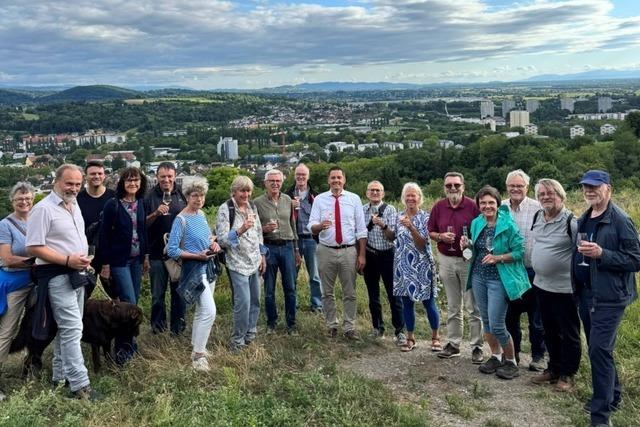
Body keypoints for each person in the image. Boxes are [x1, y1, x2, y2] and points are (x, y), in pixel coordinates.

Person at [572, 170, 640, 427]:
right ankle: (613, 397)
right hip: (587, 295)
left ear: (608, 189)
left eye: (594, 187)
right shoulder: (585, 217)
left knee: (599, 350)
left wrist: (603, 254)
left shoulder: (620, 220)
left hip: (610, 297)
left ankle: (600, 417)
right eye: (585, 187)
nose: (589, 191)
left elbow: (636, 260)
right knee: (600, 350)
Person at [26, 164, 97, 400]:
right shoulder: (43, 209)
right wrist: (67, 260)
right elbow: (33, 246)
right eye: (69, 183)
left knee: (67, 329)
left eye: (78, 184)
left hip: (77, 272)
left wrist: (83, 261)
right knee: (72, 328)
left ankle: (60, 376)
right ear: (56, 181)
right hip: (56, 274)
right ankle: (80, 385)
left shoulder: (74, 205)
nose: (74, 188)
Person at [462, 186, 530, 380]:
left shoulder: (508, 224)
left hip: (499, 280)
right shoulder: (476, 222)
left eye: (491, 202)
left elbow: (519, 252)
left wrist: (498, 258)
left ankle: (511, 361)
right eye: (483, 203)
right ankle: (496, 356)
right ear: (478, 205)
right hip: (478, 277)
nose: (487, 206)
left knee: (497, 324)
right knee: (486, 321)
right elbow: (474, 250)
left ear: (498, 204)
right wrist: (466, 246)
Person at [530, 179, 580, 392]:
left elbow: (582, 252)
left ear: (561, 196)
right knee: (549, 330)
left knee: (568, 333)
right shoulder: (538, 216)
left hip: (564, 288)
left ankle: (567, 374)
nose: (545, 197)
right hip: (541, 285)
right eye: (541, 194)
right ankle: (554, 368)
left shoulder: (571, 222)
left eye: (550, 193)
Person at [427, 172, 484, 363]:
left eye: (456, 185)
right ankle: (453, 343)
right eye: (449, 185)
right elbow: (431, 231)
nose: (453, 188)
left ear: (463, 187)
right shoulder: (438, 207)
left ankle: (477, 346)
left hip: (468, 260)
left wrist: (470, 242)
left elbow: (483, 231)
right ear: (444, 187)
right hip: (446, 259)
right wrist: (440, 237)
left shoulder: (473, 206)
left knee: (472, 305)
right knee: (453, 305)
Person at [167, 180, 221, 371]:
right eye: (195, 195)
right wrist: (196, 255)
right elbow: (172, 249)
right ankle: (198, 357)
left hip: (208, 266)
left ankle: (197, 348)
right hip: (194, 269)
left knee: (201, 310)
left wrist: (213, 243)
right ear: (187, 197)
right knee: (209, 311)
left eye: (202, 195)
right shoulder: (181, 220)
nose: (199, 199)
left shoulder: (202, 215)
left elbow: (206, 238)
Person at [308, 166, 367, 340]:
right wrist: (319, 226)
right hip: (326, 250)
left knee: (350, 292)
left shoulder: (354, 199)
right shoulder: (319, 200)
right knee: (327, 292)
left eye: (339, 177)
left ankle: (349, 327)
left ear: (344, 180)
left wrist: (361, 254)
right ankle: (331, 325)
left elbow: (361, 229)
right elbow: (311, 225)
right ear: (328, 180)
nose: (336, 181)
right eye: (333, 178)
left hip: (348, 250)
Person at [98, 167, 148, 365]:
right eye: (129, 180)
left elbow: (143, 231)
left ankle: (128, 346)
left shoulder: (141, 202)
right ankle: (123, 352)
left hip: (136, 260)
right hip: (119, 262)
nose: (133, 184)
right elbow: (104, 235)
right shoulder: (113, 204)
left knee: (132, 304)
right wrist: (105, 264)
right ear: (122, 183)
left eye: (136, 180)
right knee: (128, 305)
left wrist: (145, 256)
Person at [384, 183, 439, 352]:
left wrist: (411, 227)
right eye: (407, 195)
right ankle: (410, 338)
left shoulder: (426, 218)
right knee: (406, 304)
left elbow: (422, 244)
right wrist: (383, 226)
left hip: (422, 266)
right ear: (403, 198)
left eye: (413, 195)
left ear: (419, 198)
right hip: (402, 266)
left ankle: (436, 337)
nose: (410, 198)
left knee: (429, 302)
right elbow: (392, 237)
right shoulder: (398, 216)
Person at [217, 176, 266, 352]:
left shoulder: (252, 206)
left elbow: (259, 232)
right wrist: (241, 229)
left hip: (254, 261)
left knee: (255, 301)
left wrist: (262, 255)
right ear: (234, 191)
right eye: (242, 191)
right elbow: (222, 239)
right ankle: (237, 341)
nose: (246, 194)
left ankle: (250, 335)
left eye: (248, 191)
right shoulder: (226, 209)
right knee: (243, 303)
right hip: (237, 263)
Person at [502, 169, 545, 371]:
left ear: (527, 187)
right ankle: (514, 354)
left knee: (537, 318)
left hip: (533, 270)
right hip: (509, 271)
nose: (516, 189)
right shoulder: (500, 207)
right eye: (512, 185)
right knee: (510, 317)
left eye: (520, 186)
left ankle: (538, 356)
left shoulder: (538, 207)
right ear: (507, 187)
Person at [0, 182, 36, 400]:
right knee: (7, 330)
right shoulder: (5, 225)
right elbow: (7, 259)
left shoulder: (38, 219)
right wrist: (37, 261)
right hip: (15, 282)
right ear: (12, 201)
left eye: (28, 198)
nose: (24, 202)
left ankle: (33, 364)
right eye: (19, 199)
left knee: (37, 324)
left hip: (37, 280)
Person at [254, 169, 299, 334]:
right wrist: (264, 229)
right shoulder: (257, 203)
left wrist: (296, 250)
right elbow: (254, 229)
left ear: (282, 183)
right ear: (265, 183)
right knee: (269, 289)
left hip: (287, 246)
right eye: (271, 181)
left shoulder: (287, 200)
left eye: (278, 181)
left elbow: (293, 225)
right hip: (269, 247)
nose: (275, 184)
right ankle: (271, 323)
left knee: (290, 287)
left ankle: (291, 324)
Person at [144, 162, 187, 335]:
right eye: (163, 176)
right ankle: (158, 329)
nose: (166, 180)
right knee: (157, 295)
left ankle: (178, 329)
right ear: (157, 177)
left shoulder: (182, 194)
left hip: (177, 254)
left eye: (170, 176)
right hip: (156, 253)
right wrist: (156, 214)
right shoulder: (148, 196)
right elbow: (142, 225)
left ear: (175, 176)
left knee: (179, 293)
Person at [362, 180, 406, 344]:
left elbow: (393, 237)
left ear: (383, 193)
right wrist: (360, 256)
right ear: (367, 193)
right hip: (370, 255)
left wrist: (383, 225)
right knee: (373, 294)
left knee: (394, 294)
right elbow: (360, 234)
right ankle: (377, 327)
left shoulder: (390, 209)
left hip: (388, 255)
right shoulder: (362, 210)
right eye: (372, 190)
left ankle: (400, 330)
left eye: (378, 190)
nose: (375, 193)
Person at [285, 163, 323, 312]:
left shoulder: (315, 196)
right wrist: (289, 205)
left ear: (308, 176)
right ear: (294, 176)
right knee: (292, 274)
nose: (300, 177)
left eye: (303, 175)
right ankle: (292, 304)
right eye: (298, 174)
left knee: (314, 275)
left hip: (311, 239)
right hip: (293, 240)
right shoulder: (286, 195)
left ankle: (317, 305)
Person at [76, 160, 115, 297]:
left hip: (110, 254)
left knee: (117, 298)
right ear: (85, 176)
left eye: (100, 173)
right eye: (93, 174)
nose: (96, 176)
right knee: (82, 296)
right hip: (86, 254)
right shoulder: (78, 199)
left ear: (104, 176)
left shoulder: (113, 197)